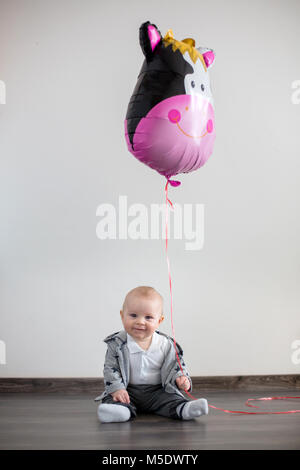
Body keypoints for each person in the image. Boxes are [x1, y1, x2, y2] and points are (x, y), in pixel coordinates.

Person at [95, 286, 209, 422]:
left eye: (148, 317)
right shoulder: (117, 344)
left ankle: (184, 409)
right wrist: (117, 389)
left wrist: (182, 379)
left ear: (159, 321)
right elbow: (110, 369)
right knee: (113, 397)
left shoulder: (166, 345)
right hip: (128, 390)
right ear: (122, 315)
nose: (140, 321)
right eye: (133, 315)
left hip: (158, 391)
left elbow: (177, 365)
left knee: (172, 398)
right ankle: (120, 412)